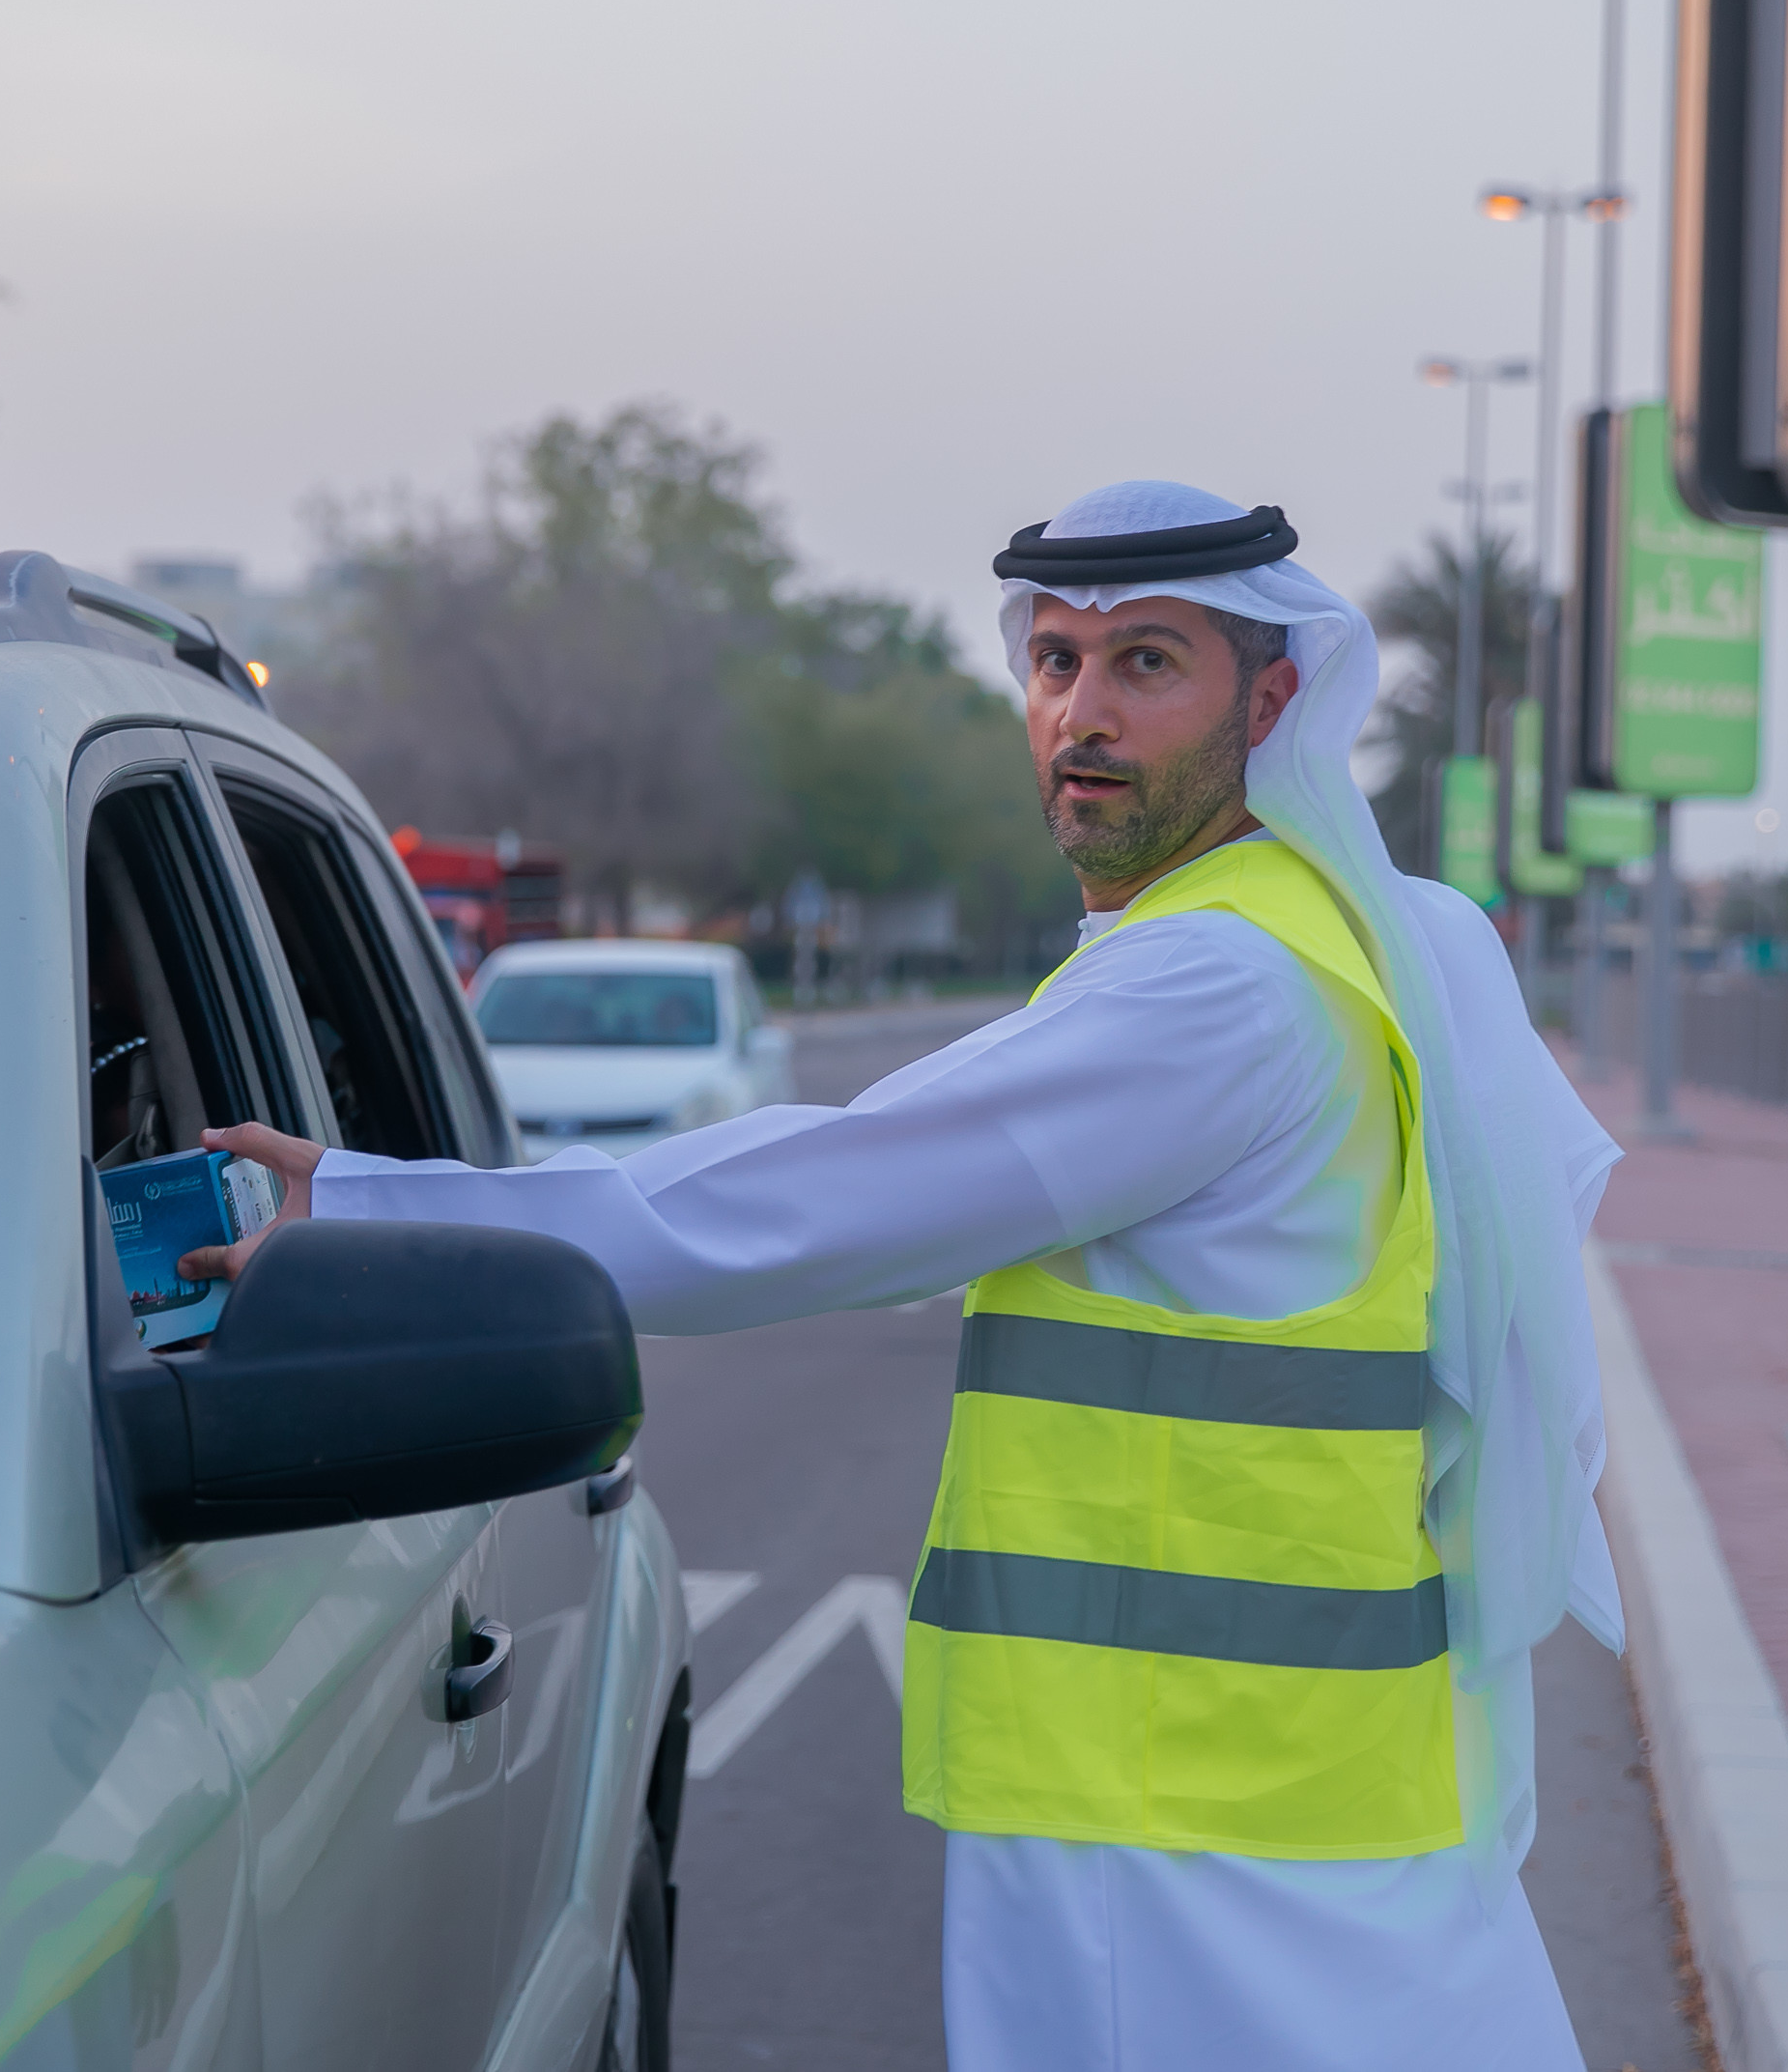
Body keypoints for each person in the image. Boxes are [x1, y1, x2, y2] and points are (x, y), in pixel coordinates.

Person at [180, 481, 1622, 2070]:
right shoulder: (1297, 934)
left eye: (1149, 664)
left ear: (1272, 699)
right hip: (1278, 1785)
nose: (1084, 711)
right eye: (1057, 660)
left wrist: (385, 1220)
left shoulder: (1221, 979)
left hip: (1179, 1816)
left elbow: (822, 1198)